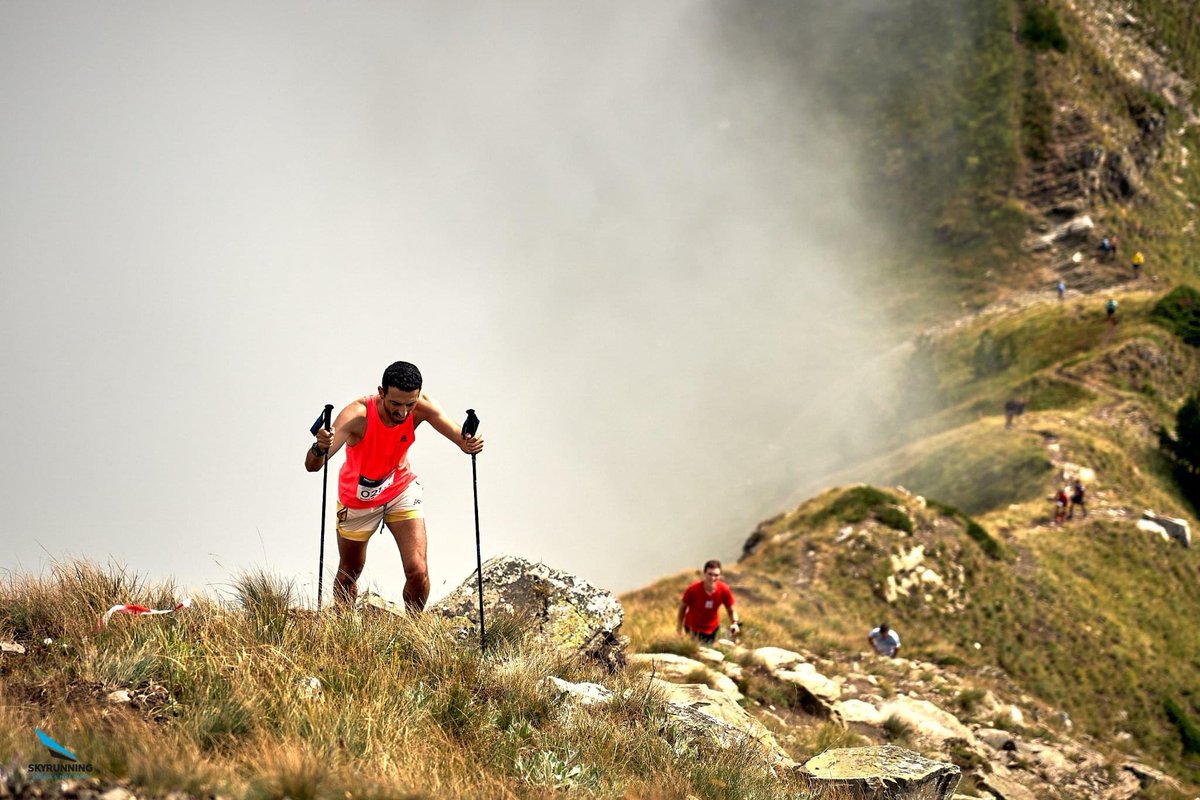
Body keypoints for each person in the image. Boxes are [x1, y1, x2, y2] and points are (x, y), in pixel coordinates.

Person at [305, 361, 484, 610]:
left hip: (400, 490)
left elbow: (461, 439)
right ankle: (343, 625)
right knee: (349, 571)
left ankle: (414, 631)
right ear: (381, 392)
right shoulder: (357, 415)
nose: (402, 413)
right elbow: (313, 465)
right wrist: (319, 447)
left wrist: (470, 443)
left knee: (418, 569)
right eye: (395, 404)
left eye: (409, 405)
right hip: (358, 499)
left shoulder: (423, 407)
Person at [676, 560, 739, 644]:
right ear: (704, 573)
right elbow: (682, 608)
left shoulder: (724, 590)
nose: (713, 578)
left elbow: (731, 610)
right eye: (710, 574)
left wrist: (734, 623)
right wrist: (679, 629)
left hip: (711, 629)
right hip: (692, 628)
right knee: (694, 650)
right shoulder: (693, 589)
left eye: (716, 575)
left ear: (719, 576)